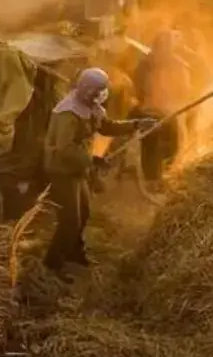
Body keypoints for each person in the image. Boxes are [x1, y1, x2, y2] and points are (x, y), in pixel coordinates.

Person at [42, 68, 155, 278]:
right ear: (87, 90)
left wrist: (136, 125)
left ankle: (74, 253)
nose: (103, 94)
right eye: (99, 90)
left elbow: (106, 127)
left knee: (84, 214)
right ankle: (52, 265)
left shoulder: (91, 107)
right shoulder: (68, 113)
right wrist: (92, 160)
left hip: (77, 169)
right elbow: (64, 149)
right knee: (70, 221)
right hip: (62, 171)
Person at [130, 29, 193, 185]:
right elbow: (185, 89)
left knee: (155, 147)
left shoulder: (145, 64)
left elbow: (137, 88)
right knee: (167, 146)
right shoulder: (176, 64)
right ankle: (160, 178)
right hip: (164, 113)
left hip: (157, 112)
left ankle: (156, 178)